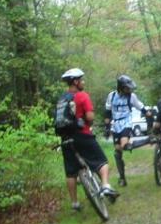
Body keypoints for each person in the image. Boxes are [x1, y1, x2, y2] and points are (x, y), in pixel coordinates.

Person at [58, 68, 118, 210]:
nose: (83, 82)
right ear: (76, 81)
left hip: (65, 138)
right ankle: (105, 185)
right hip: (82, 135)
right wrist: (87, 122)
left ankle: (74, 203)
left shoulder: (61, 99)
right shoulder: (82, 96)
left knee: (71, 172)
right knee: (102, 161)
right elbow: (90, 117)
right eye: (81, 80)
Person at [104, 75, 151, 186]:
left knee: (125, 145)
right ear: (120, 87)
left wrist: (148, 113)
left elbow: (140, 106)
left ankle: (147, 140)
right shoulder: (111, 96)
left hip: (127, 122)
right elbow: (107, 111)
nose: (129, 90)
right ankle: (122, 178)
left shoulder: (132, 96)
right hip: (115, 124)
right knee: (117, 152)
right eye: (127, 88)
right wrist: (106, 127)